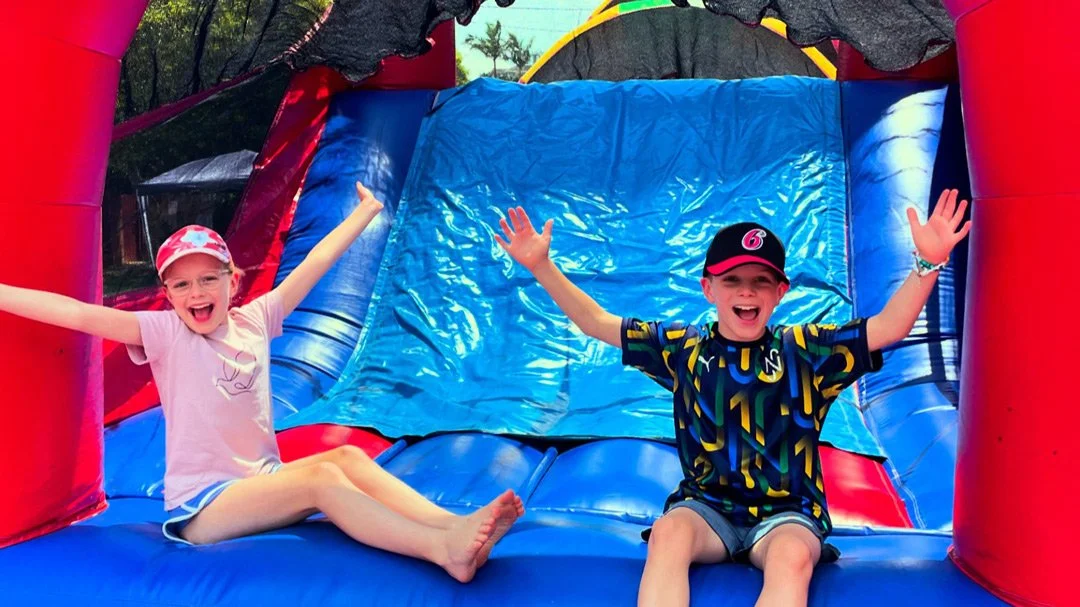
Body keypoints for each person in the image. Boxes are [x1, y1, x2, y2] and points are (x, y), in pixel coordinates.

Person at [0, 182, 522, 583]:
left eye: (209, 279)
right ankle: (442, 549)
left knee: (346, 460)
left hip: (260, 482)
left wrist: (365, 212)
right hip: (203, 508)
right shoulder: (163, 334)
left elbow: (314, 264)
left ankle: (447, 523)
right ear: (168, 295)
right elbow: (75, 312)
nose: (196, 292)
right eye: (181, 284)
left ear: (234, 282)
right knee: (322, 482)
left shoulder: (254, 320)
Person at [494, 189, 970, 605]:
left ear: (780, 291)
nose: (747, 292)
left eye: (761, 281)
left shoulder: (804, 351)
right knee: (669, 534)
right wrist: (541, 265)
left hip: (787, 513)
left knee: (791, 557)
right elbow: (597, 323)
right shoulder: (685, 349)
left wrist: (927, 265)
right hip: (708, 509)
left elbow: (887, 329)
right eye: (732, 281)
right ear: (708, 289)